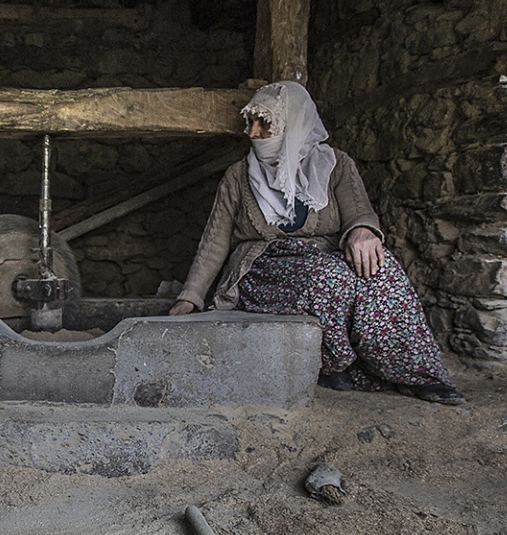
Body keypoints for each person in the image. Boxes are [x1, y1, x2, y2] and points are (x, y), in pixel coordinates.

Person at [168, 81, 464, 405]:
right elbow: (215, 240)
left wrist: (362, 231)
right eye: (249, 122)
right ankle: (335, 365)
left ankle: (419, 373)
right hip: (264, 268)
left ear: (294, 123)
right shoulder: (238, 176)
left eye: (264, 123)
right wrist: (191, 297)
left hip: (324, 256)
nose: (252, 133)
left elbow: (360, 213)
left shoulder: (336, 164)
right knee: (328, 278)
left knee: (383, 269)